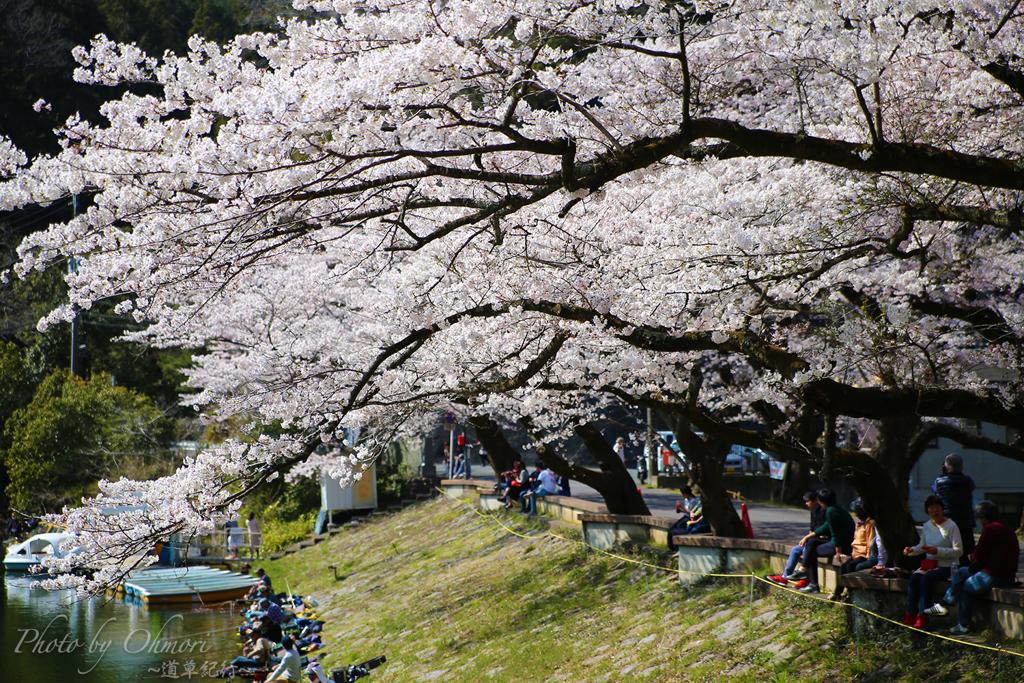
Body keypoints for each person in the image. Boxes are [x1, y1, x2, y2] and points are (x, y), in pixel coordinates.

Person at [925, 500, 1020, 634]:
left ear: (983, 517)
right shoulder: (1007, 528)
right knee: (962, 571)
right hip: (1009, 576)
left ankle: (962, 623)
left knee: (965, 587)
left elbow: (979, 552)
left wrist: (972, 557)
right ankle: (945, 604)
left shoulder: (990, 528)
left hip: (994, 574)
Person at [902, 494, 963, 629]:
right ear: (927, 511)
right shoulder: (927, 526)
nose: (935, 511)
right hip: (929, 565)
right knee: (914, 578)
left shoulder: (951, 526)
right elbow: (922, 545)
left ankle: (924, 615)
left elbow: (958, 551)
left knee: (926, 579)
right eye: (931, 508)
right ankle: (911, 614)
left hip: (947, 566)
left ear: (942, 509)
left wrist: (938, 551)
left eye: (937, 507)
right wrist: (912, 550)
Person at [795, 489, 855, 594]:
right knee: (811, 542)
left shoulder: (830, 511)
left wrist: (839, 551)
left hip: (844, 545)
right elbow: (826, 527)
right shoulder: (836, 508)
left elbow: (836, 533)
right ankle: (803, 571)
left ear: (821, 502)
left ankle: (811, 581)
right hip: (843, 542)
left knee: (811, 551)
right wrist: (808, 536)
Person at [767, 491, 825, 586]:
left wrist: (810, 537)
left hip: (822, 541)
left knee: (808, 550)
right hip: (813, 540)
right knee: (795, 550)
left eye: (808, 501)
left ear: (816, 501)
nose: (806, 504)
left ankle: (807, 579)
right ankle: (785, 577)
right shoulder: (813, 511)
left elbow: (824, 531)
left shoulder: (824, 511)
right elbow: (812, 529)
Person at [931, 453, 976, 561]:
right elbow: (972, 488)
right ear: (961, 467)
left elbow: (934, 491)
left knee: (948, 554)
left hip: (946, 521)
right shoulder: (968, 481)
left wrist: (942, 475)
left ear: (946, 467)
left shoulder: (939, 481)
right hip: (965, 520)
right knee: (967, 553)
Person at [830, 499, 876, 601]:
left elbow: (870, 541)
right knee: (843, 567)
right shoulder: (859, 523)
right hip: (856, 553)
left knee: (850, 567)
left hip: (864, 554)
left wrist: (869, 555)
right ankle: (837, 593)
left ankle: (851, 594)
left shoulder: (870, 523)